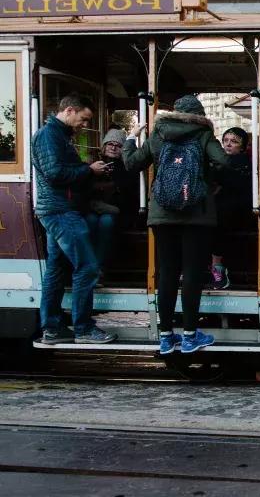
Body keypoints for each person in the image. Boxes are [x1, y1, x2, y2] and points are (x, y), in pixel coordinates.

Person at [123, 94, 228, 354]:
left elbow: (131, 163)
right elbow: (223, 161)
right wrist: (204, 182)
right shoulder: (203, 134)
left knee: (167, 273)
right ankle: (190, 335)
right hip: (197, 215)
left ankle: (166, 337)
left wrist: (129, 140)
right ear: (199, 114)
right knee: (192, 273)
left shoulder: (159, 134)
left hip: (163, 213)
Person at [32, 93, 117, 345]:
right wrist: (88, 170)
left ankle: (52, 329)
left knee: (56, 270)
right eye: (84, 118)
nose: (85, 125)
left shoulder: (56, 135)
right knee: (88, 267)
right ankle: (83, 328)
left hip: (57, 210)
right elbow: (56, 173)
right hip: (61, 212)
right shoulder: (49, 136)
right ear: (69, 110)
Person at [85, 128, 139, 282]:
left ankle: (99, 268)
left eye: (118, 145)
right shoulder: (93, 163)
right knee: (90, 221)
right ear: (104, 146)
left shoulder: (127, 166)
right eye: (110, 144)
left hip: (117, 210)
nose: (113, 147)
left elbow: (129, 195)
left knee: (106, 222)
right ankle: (88, 266)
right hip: (93, 208)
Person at [208, 126, 254, 290]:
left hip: (237, 211)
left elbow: (229, 182)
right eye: (226, 141)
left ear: (242, 147)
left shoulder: (243, 163)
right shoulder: (217, 162)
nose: (228, 144)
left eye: (233, 141)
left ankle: (217, 267)